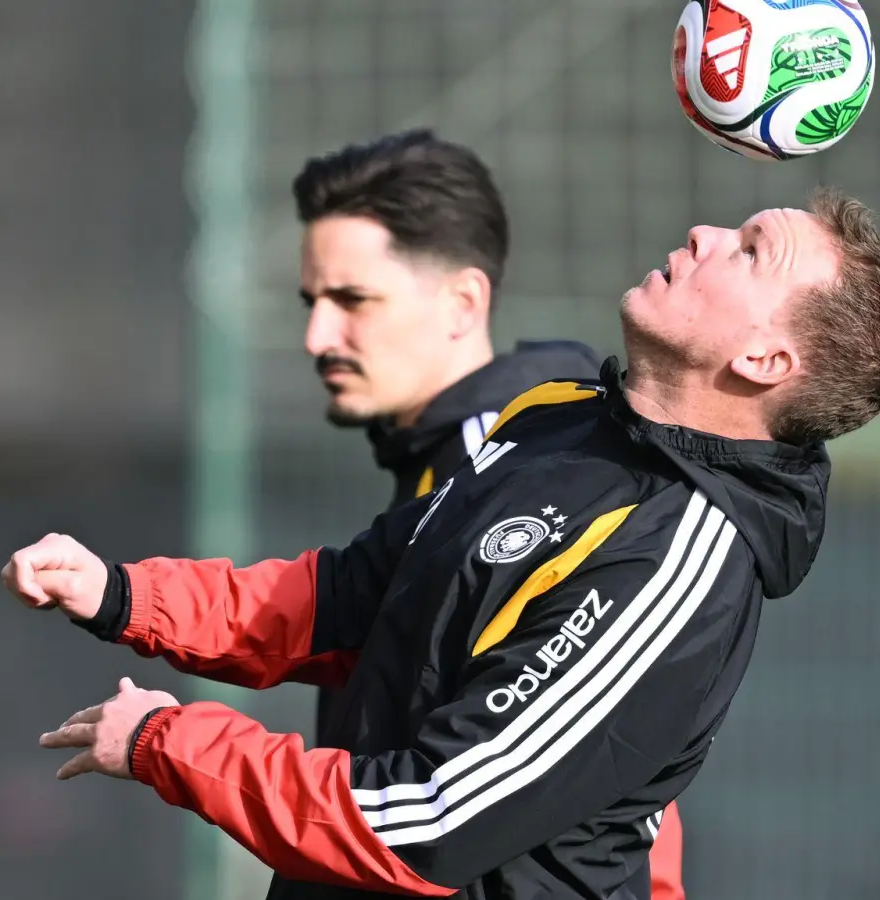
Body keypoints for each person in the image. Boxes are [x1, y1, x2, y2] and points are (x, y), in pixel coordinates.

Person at [4, 186, 880, 900]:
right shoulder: (559, 416)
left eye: (750, 251)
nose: (701, 236)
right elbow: (356, 599)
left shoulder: (677, 563)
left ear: (764, 363)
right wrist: (125, 595)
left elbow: (430, 817)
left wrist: (173, 742)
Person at [288, 128, 689, 900]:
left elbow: (604, 755)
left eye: (352, 301)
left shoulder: (508, 474)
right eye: (312, 302)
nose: (317, 337)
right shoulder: (470, 459)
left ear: (464, 302)